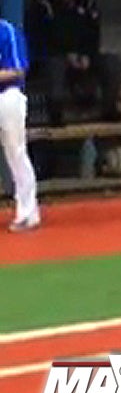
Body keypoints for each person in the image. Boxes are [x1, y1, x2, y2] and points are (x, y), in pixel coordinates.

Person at [28, 0, 121, 125]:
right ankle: (56, 114)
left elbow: (93, 32)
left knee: (112, 63)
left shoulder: (85, 3)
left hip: (84, 56)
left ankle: (109, 109)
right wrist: (67, 55)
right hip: (55, 57)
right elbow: (42, 38)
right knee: (55, 65)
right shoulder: (45, 6)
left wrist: (87, 54)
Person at [0, 18, 39, 233]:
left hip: (8, 95)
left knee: (16, 153)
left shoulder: (6, 30)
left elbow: (18, 69)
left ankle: (27, 213)